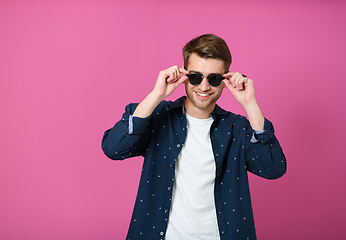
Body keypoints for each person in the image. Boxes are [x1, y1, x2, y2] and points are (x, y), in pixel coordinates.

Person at [101, 34, 286, 240]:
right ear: (185, 75)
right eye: (196, 77)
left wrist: (250, 104)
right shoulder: (158, 118)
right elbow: (114, 148)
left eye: (214, 79)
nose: (204, 87)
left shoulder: (238, 128)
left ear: (226, 80)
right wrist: (156, 95)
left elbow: (273, 168)